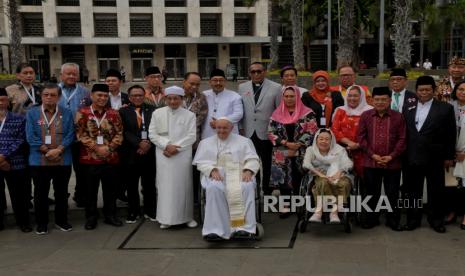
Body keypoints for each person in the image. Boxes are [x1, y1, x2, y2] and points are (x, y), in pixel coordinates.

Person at [403, 76, 456, 233]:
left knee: (436, 191)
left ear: (433, 91)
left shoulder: (445, 108)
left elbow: (450, 134)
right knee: (412, 191)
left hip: (435, 157)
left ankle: (436, 220)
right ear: (416, 91)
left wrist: (448, 156)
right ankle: (413, 219)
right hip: (411, 156)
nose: (424, 92)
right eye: (420, 90)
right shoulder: (408, 107)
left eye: (427, 90)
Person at [193, 117, 260, 240]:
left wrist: (248, 170)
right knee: (214, 187)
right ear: (215, 128)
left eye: (225, 128)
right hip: (218, 173)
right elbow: (201, 162)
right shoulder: (205, 143)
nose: (221, 130)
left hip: (240, 173)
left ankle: (243, 228)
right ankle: (215, 230)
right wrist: (211, 170)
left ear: (231, 128)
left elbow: (253, 159)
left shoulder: (245, 141)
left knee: (247, 186)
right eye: (219, 127)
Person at [26, 83, 75, 235]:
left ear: (58, 97)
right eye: (46, 94)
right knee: (40, 193)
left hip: (63, 160)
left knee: (61, 193)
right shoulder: (32, 113)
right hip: (39, 161)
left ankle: (62, 221)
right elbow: (30, 135)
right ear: (41, 96)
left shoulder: (66, 112)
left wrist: (59, 150)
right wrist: (47, 151)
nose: (49, 97)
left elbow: (70, 134)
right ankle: (42, 223)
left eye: (53, 95)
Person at [357, 87, 406, 231]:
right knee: (371, 193)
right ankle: (371, 219)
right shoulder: (365, 116)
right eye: (377, 99)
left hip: (393, 163)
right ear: (372, 100)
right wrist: (373, 155)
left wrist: (391, 156)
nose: (380, 102)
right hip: (371, 162)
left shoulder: (398, 117)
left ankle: (393, 220)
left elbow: (402, 139)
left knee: (392, 193)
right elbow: (361, 138)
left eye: (383, 99)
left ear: (390, 100)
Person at [75, 83, 123, 230]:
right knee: (90, 191)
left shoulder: (114, 113)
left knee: (111, 190)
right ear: (92, 96)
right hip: (90, 159)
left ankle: (110, 215)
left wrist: (108, 148)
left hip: (110, 158)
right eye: (99, 95)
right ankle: (91, 217)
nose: (102, 98)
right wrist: (96, 147)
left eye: (105, 96)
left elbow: (119, 134)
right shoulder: (82, 112)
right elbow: (80, 134)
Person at [148, 85, 197, 229]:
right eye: (170, 98)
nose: (173, 101)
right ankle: (165, 218)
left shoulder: (190, 115)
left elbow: (192, 136)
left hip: (182, 155)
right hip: (163, 155)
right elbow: (152, 134)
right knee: (165, 186)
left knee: (184, 185)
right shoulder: (157, 113)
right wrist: (167, 145)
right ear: (166, 99)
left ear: (182, 99)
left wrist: (176, 147)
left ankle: (187, 217)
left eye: (176, 98)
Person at [268, 85, 318, 217]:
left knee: (298, 176)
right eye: (286, 96)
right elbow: (271, 133)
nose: (289, 99)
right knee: (283, 178)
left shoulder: (308, 113)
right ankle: (285, 205)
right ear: (283, 97)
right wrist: (286, 143)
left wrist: (298, 144)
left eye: (292, 96)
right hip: (281, 151)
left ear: (297, 97)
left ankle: (299, 204)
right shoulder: (276, 114)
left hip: (300, 150)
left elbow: (312, 130)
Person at [238, 62, 282, 195]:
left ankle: (267, 190)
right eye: (253, 72)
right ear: (249, 73)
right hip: (248, 131)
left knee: (267, 162)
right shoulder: (242, 87)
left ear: (265, 72)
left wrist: (275, 131)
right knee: (251, 162)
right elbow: (240, 109)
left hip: (266, 132)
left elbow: (279, 111)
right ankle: (253, 189)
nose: (256, 74)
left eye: (259, 71)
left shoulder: (276, 87)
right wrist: (240, 127)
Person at [119, 85, 156, 223]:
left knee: (149, 185)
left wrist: (148, 144)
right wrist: (138, 143)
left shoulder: (153, 110)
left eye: (140, 95)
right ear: (129, 97)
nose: (137, 98)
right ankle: (133, 211)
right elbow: (124, 131)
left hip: (149, 153)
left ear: (144, 95)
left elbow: (157, 129)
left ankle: (150, 210)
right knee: (131, 185)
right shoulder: (123, 112)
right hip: (131, 154)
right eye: (134, 95)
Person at [303, 129, 353, 223]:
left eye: (327, 139)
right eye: (321, 139)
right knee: (323, 182)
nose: (324, 141)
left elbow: (348, 163)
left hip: (338, 174)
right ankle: (319, 212)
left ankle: (334, 213)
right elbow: (306, 164)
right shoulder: (311, 149)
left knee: (344, 183)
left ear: (331, 140)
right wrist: (320, 174)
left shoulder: (339, 149)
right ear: (316, 139)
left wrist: (339, 172)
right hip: (319, 175)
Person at [58, 63, 91, 208]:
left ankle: (81, 195)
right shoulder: (53, 91)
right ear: (61, 75)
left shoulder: (85, 92)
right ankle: (61, 196)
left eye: (74, 74)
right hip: (59, 138)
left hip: (79, 138)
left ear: (78, 75)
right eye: (68, 73)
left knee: (81, 169)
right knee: (61, 171)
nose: (71, 76)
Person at [0, 88, 31, 233]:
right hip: (2, 161)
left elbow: (21, 140)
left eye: (3, 99)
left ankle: (23, 221)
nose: (0, 102)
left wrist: (4, 156)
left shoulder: (19, 119)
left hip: (15, 162)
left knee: (19, 194)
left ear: (8, 101)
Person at [331, 85, 373, 177]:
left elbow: (372, 132)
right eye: (349, 95)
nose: (352, 98)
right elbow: (335, 130)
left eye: (355, 96)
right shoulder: (340, 110)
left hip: (365, 152)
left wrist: (358, 145)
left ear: (361, 96)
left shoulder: (370, 111)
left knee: (365, 182)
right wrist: (349, 143)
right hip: (343, 150)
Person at [182, 72, 208, 205]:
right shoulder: (175, 96)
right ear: (184, 82)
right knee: (180, 173)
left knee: (194, 172)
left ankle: (195, 199)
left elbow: (201, 118)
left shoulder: (202, 98)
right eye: (191, 83)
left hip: (194, 142)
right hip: (176, 142)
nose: (194, 86)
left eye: (197, 84)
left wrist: (185, 128)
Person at [446, 80, 465, 229]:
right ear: (455, 91)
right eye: (460, 89)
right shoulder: (448, 107)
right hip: (451, 152)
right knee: (451, 184)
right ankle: (451, 211)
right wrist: (451, 152)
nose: (463, 92)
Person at [202, 68, 243, 139]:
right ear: (210, 82)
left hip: (229, 133)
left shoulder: (235, 96)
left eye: (221, 80)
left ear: (225, 81)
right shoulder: (203, 95)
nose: (218, 83)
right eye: (215, 80)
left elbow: (238, 114)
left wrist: (220, 122)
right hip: (207, 133)